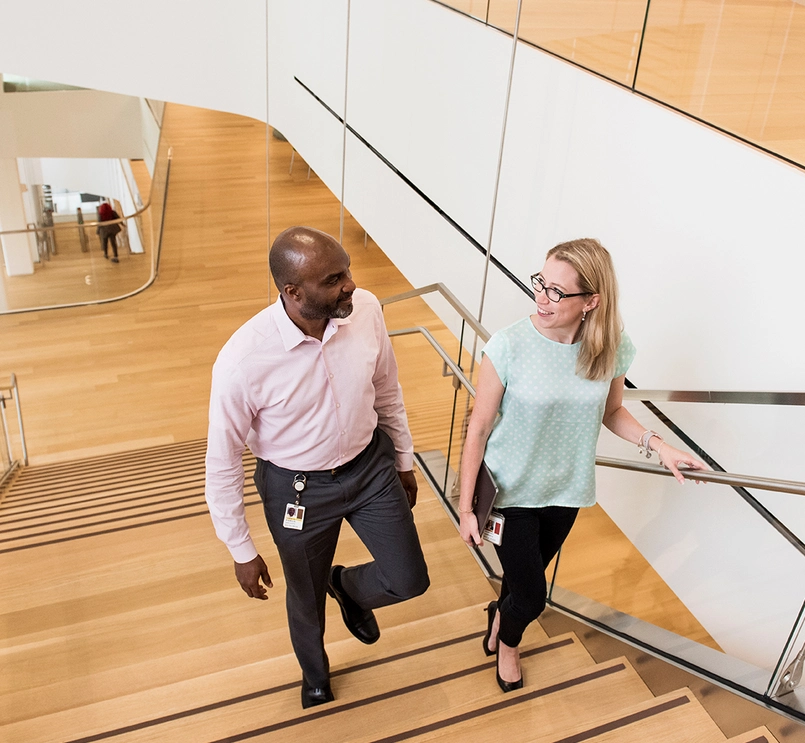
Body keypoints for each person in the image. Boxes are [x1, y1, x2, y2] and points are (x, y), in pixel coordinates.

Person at [457, 238, 705, 693]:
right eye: (541, 284)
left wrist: (659, 444)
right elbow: (478, 428)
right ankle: (507, 642)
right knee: (531, 596)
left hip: (566, 491)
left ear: (591, 301)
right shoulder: (509, 345)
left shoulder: (610, 347)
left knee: (519, 580)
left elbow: (611, 412)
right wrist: (465, 507)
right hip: (510, 494)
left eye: (557, 291)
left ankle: (500, 614)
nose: (542, 298)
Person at [205, 226, 429, 709]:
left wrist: (405, 459)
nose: (350, 284)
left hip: (370, 468)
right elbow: (221, 461)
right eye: (334, 279)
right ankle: (315, 674)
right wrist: (240, 548)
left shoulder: (366, 309)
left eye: (347, 270)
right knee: (303, 598)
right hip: (296, 490)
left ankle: (345, 585)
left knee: (410, 579)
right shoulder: (242, 360)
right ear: (293, 292)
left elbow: (387, 387)